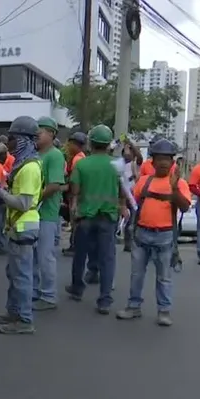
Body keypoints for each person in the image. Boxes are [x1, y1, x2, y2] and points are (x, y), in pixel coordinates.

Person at [116, 139, 190, 326]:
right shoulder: (144, 181)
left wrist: (173, 190)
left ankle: (164, 311)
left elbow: (185, 207)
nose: (164, 162)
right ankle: (133, 307)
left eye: (167, 158)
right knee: (136, 274)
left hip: (165, 237)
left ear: (173, 162)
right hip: (142, 234)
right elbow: (135, 202)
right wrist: (123, 207)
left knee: (164, 277)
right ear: (153, 161)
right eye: (160, 158)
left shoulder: (179, 183)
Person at [0, 116, 42, 335]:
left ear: (22, 139)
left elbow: (24, 202)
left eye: (13, 138)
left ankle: (24, 319)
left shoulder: (29, 168)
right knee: (15, 273)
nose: (8, 143)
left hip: (23, 226)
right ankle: (14, 312)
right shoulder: (25, 164)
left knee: (21, 275)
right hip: (19, 227)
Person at [66, 125, 128, 314]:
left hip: (85, 216)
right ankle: (104, 300)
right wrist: (122, 206)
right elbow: (123, 190)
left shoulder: (82, 164)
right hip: (108, 217)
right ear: (109, 144)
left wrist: (73, 213)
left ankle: (77, 289)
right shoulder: (116, 164)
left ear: (90, 142)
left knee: (80, 255)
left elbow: (74, 192)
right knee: (107, 258)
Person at [31, 117, 66, 312]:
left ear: (52, 133)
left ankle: (49, 295)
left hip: (47, 214)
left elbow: (54, 185)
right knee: (34, 257)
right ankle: (36, 292)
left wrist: (33, 199)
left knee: (45, 256)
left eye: (41, 131)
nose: (37, 134)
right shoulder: (37, 154)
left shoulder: (54, 155)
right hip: (35, 214)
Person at [61, 132, 87, 257]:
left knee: (74, 221)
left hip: (75, 194)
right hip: (78, 194)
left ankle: (74, 246)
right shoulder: (81, 156)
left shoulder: (77, 159)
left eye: (70, 144)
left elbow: (75, 179)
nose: (68, 147)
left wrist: (65, 188)